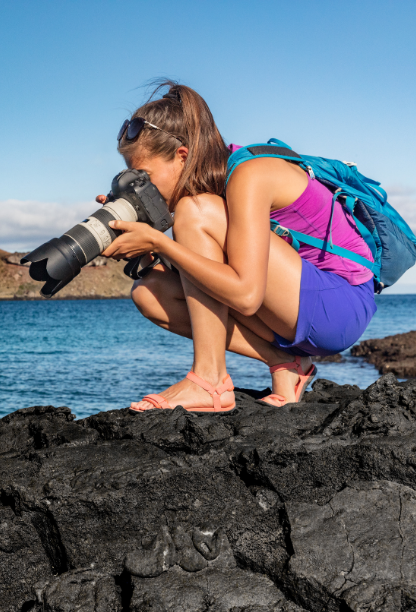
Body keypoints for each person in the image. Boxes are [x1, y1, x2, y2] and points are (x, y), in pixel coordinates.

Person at [99, 81, 376, 412]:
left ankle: (210, 381)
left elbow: (245, 295)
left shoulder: (249, 174)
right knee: (150, 291)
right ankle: (286, 366)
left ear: (182, 156)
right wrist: (147, 248)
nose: (136, 184)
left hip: (339, 305)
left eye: (142, 174)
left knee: (193, 210)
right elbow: (206, 279)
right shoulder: (213, 189)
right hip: (296, 311)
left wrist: (160, 240)